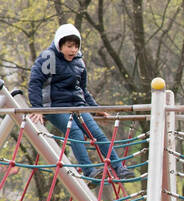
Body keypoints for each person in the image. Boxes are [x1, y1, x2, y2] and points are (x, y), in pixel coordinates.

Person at [28, 23, 132, 183]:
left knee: (96, 133)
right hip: (54, 106)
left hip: (77, 106)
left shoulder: (79, 62)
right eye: (69, 46)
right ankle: (89, 171)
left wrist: (96, 109)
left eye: (76, 46)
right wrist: (37, 108)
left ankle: (119, 168)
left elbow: (82, 90)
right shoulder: (49, 57)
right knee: (75, 132)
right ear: (59, 45)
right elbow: (35, 82)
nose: (73, 50)